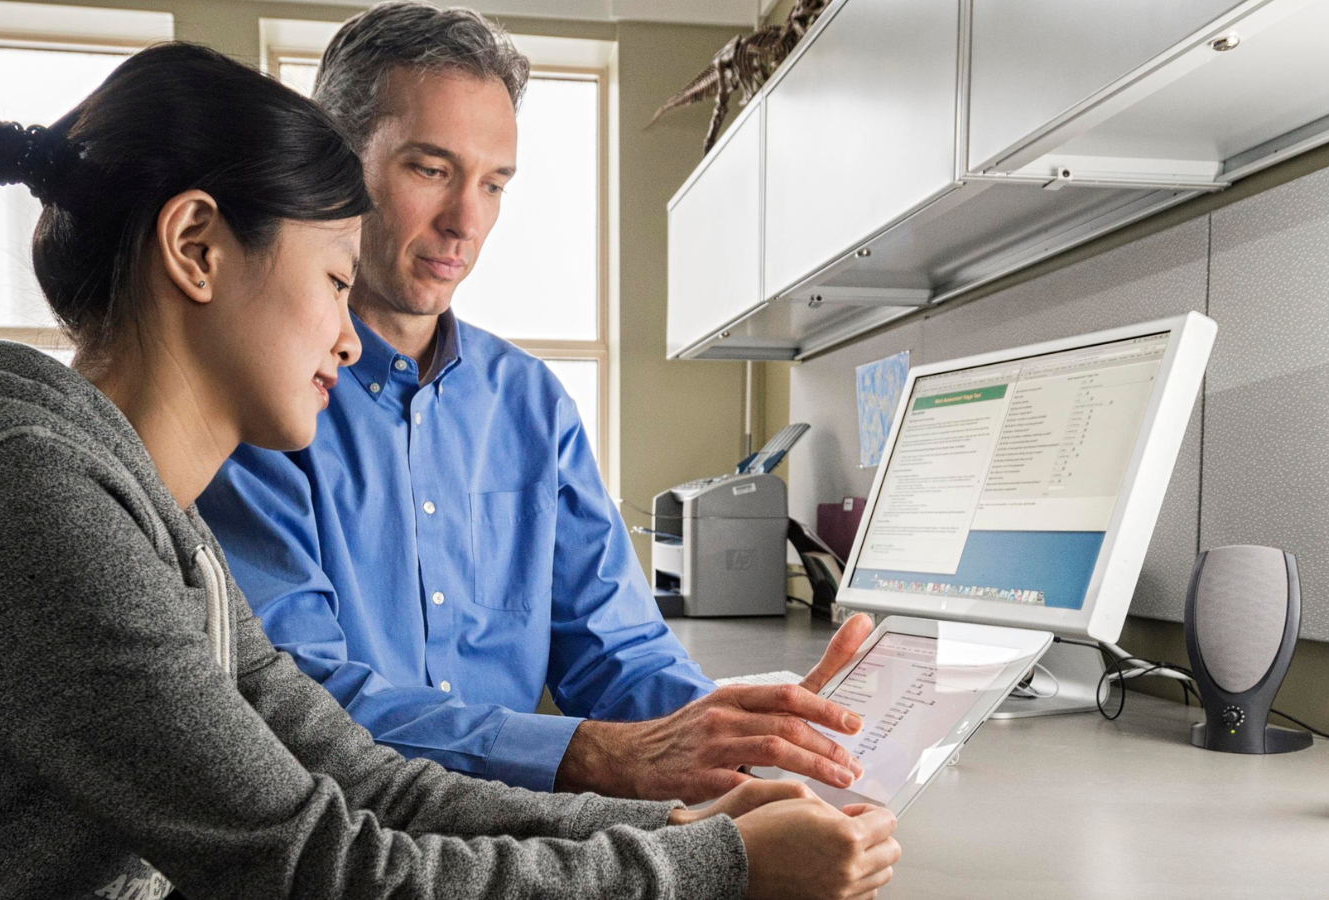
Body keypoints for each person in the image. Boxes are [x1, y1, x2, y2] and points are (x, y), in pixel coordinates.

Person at [0, 42, 900, 900]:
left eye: (495, 183)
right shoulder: (26, 511)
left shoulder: (145, 521)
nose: (349, 338)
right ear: (196, 248)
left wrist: (695, 819)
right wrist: (710, 864)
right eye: (334, 281)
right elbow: (318, 863)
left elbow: (362, 781)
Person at [198, 0, 872, 803]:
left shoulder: (531, 404)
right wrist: (590, 755)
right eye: (430, 169)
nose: (466, 222)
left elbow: (614, 648)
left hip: (519, 843)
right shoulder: (260, 401)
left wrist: (739, 733)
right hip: (347, 838)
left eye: (494, 183)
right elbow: (298, 700)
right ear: (337, 160)